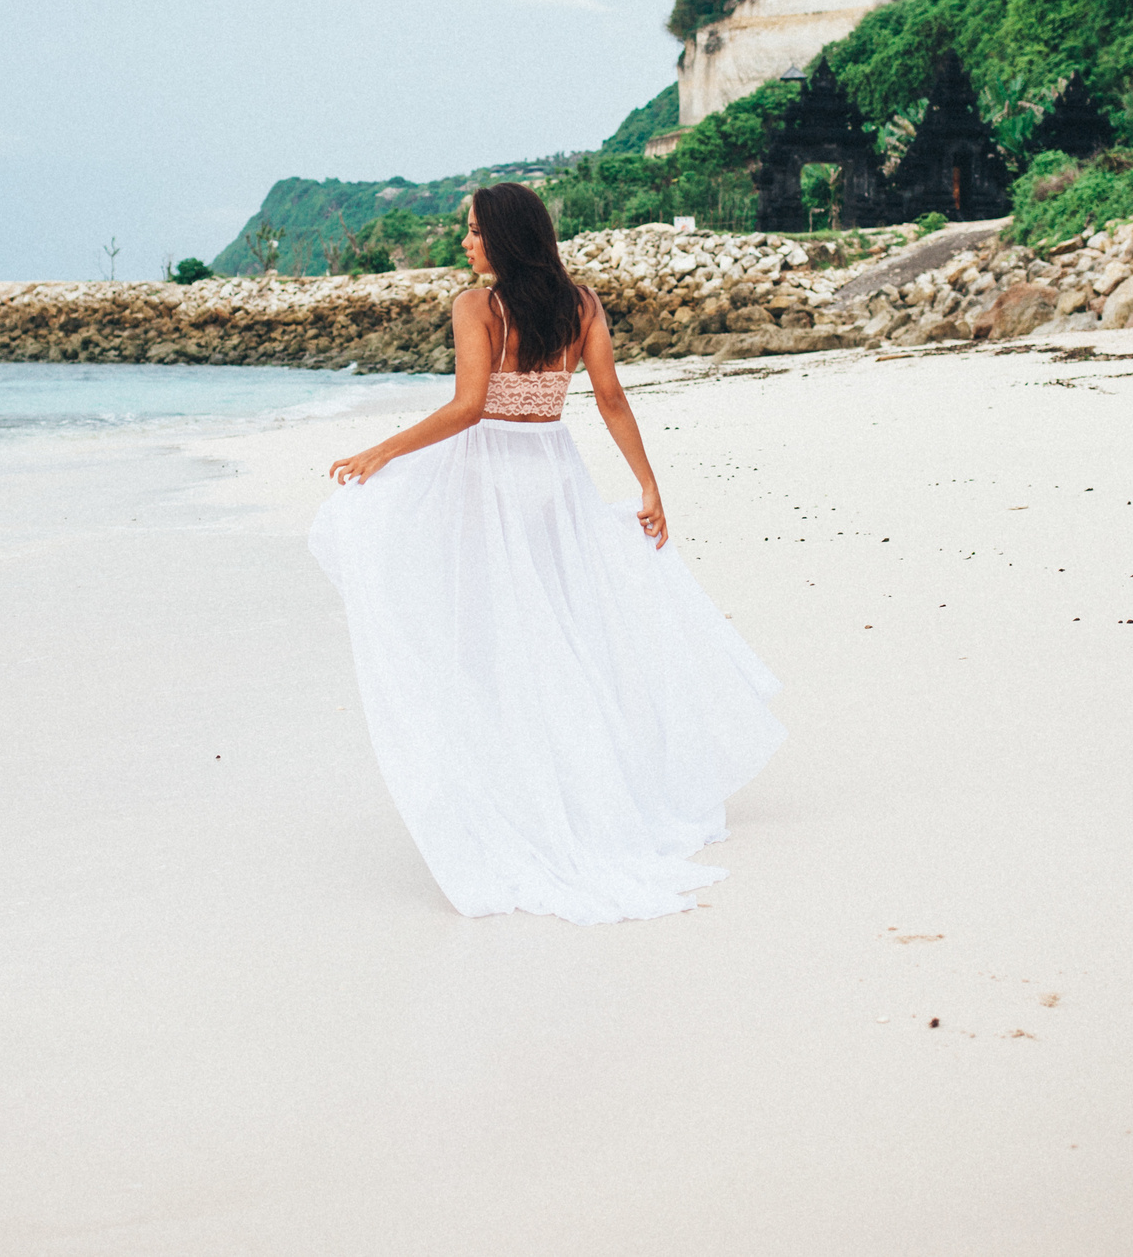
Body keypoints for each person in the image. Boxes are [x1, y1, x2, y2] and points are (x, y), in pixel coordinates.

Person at [309, 183, 785, 923]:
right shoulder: (583, 303)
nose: (465, 242)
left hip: (493, 476)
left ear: (502, 236)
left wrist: (383, 450)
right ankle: (571, 781)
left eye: (472, 231)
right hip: (554, 476)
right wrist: (647, 484)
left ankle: (524, 785)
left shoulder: (478, 306)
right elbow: (611, 397)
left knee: (501, 634)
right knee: (560, 630)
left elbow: (470, 406)